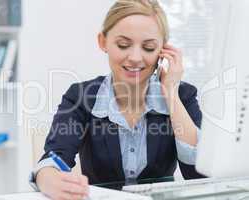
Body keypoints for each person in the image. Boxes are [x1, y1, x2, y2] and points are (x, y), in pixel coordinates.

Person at [30, 0, 205, 199]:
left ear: (162, 52)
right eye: (123, 45)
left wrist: (171, 93)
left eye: (148, 48)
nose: (135, 57)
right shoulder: (81, 97)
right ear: (103, 42)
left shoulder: (183, 96)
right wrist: (48, 178)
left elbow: (197, 174)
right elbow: (55, 157)